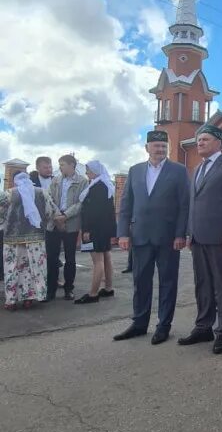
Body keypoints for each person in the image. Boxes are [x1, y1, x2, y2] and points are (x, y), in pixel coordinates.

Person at [114, 130, 189, 345]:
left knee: (167, 283)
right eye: (156, 145)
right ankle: (139, 323)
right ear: (147, 148)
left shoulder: (178, 171)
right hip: (140, 237)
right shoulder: (135, 171)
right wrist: (122, 234)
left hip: (168, 238)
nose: (160, 149)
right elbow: (126, 204)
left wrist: (180, 234)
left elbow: (184, 205)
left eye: (164, 146)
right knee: (140, 282)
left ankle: (163, 326)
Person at [179, 124, 222, 355]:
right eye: (199, 139)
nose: (200, 143)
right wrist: (189, 233)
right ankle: (203, 326)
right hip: (197, 237)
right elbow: (192, 204)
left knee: (221, 286)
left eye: (205, 139)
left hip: (219, 238)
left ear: (218, 142)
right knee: (202, 284)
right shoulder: (197, 168)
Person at [0, 170, 55, 309]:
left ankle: (11, 301)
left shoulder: (9, 194)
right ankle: (28, 299)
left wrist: (4, 223)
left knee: (13, 268)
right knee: (32, 268)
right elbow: (50, 212)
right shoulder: (42, 192)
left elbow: (1, 213)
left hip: (12, 239)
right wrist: (44, 223)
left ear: (14, 181)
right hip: (36, 238)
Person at [46, 155, 88, 301]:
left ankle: (68, 289)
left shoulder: (82, 181)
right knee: (51, 257)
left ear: (72, 165)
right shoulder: (56, 180)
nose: (60, 167)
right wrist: (57, 217)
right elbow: (49, 199)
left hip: (71, 224)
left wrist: (65, 216)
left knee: (70, 258)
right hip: (54, 223)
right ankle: (50, 290)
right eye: (59, 164)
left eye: (62, 164)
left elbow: (81, 203)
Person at [75, 160, 117, 304]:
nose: (87, 173)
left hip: (96, 229)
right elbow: (109, 211)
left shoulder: (97, 187)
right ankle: (108, 288)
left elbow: (93, 212)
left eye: (88, 170)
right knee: (106, 257)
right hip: (104, 228)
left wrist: (87, 229)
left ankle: (93, 294)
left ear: (95, 171)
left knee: (97, 260)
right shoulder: (105, 185)